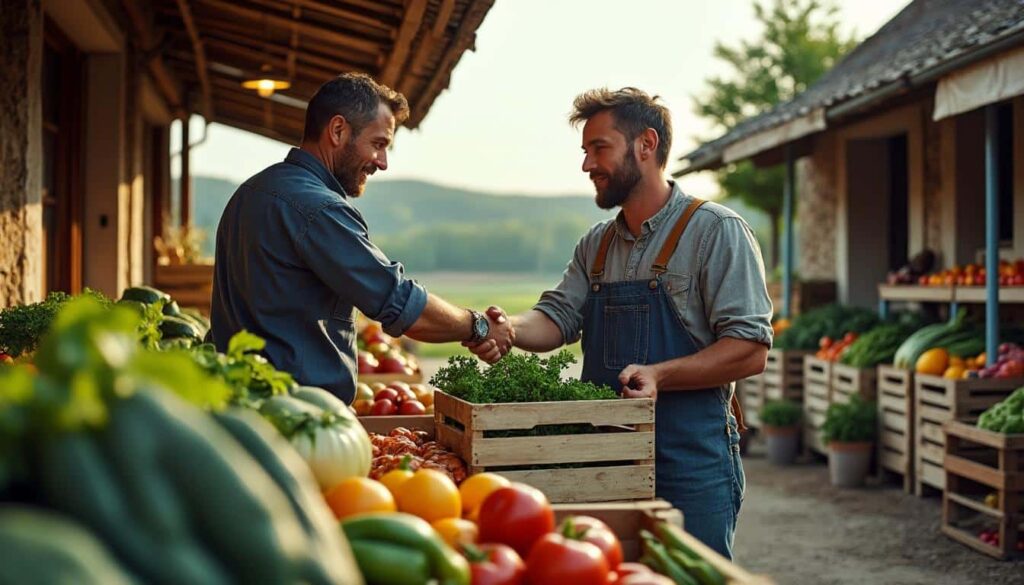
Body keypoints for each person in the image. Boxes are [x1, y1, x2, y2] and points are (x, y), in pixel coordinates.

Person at [467, 87, 772, 558]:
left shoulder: (716, 231)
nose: (588, 164)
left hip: (690, 458)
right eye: (586, 151)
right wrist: (508, 327)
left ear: (645, 145)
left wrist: (660, 375)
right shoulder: (596, 244)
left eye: (599, 148)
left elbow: (750, 349)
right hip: (605, 457)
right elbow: (557, 317)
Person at [211, 73, 514, 403]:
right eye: (378, 144)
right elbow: (401, 305)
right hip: (296, 417)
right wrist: (479, 326)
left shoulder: (250, 192)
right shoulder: (319, 208)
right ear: (338, 131)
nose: (382, 163)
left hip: (239, 405)